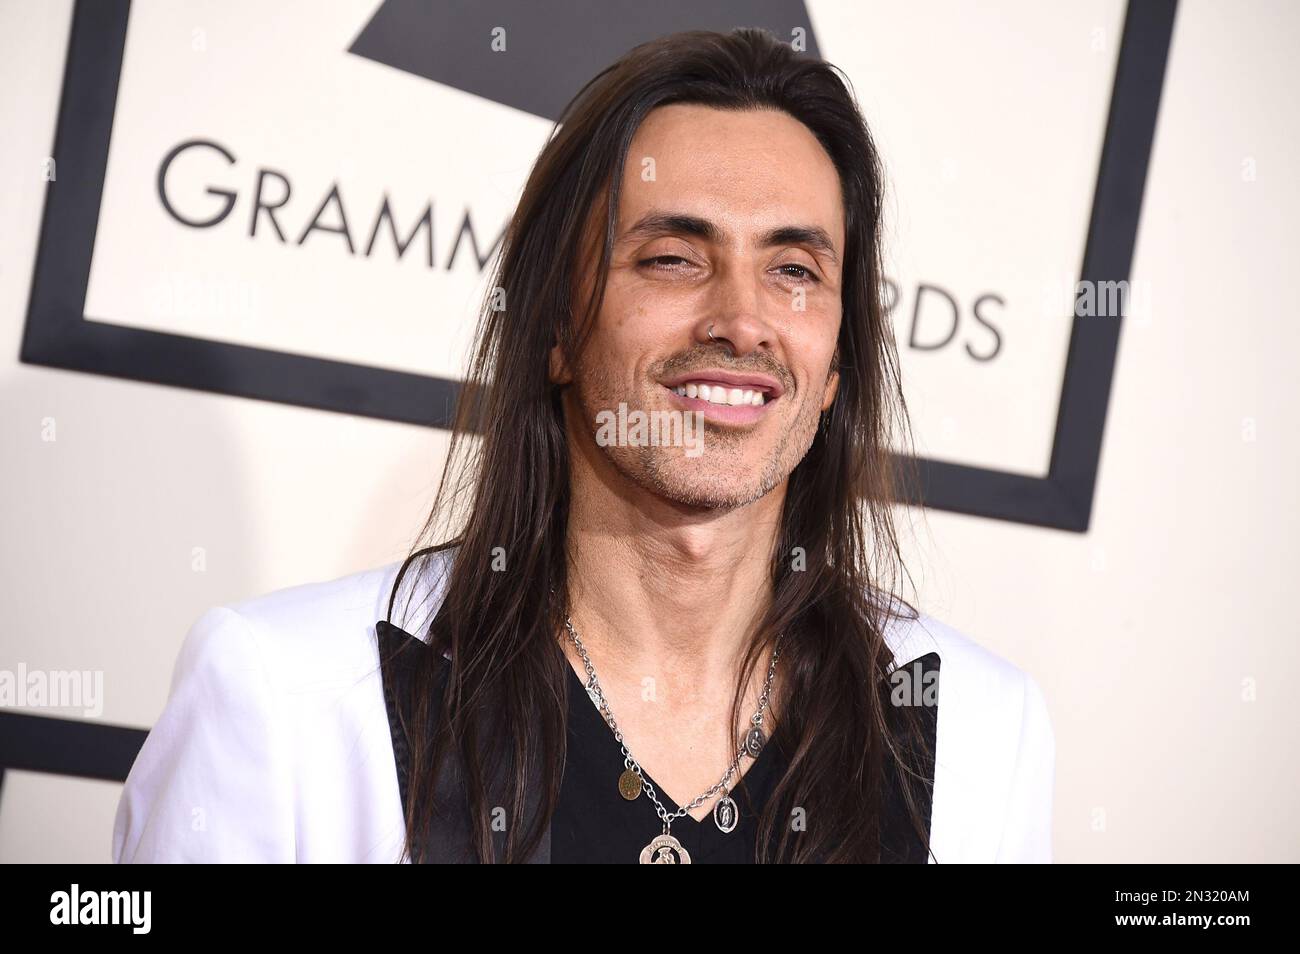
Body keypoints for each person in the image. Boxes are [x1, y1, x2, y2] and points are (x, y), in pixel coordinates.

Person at [113, 27, 1054, 864]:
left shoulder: (981, 730)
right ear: (559, 327)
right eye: (674, 258)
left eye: (794, 270)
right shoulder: (283, 698)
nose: (741, 320)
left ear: (838, 362)